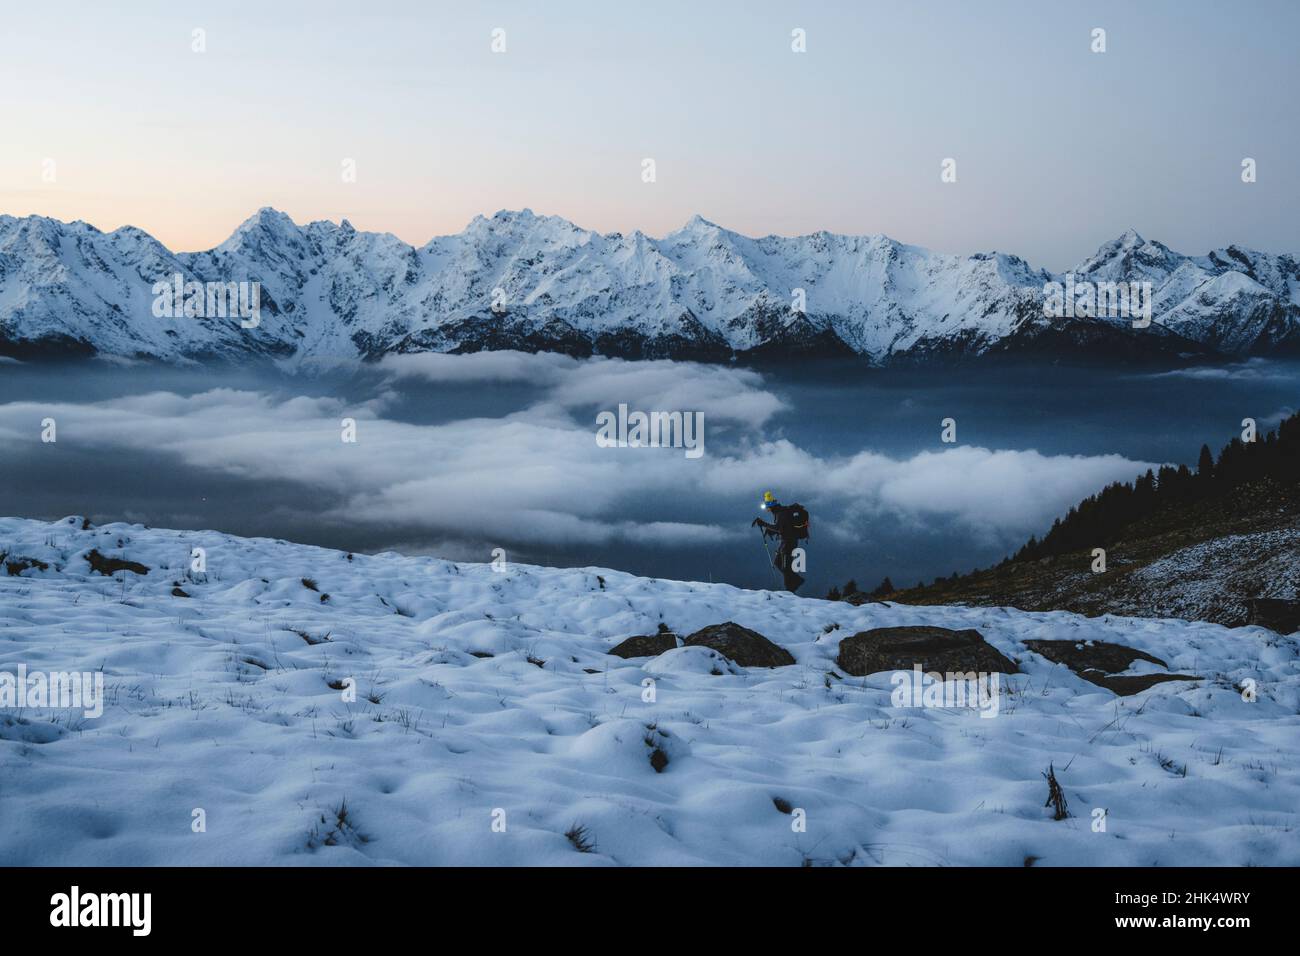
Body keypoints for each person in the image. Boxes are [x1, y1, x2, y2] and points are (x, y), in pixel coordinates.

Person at [752, 491, 807, 593]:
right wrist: (770, 530)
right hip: (785, 542)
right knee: (778, 563)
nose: (766, 509)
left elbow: (779, 528)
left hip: (789, 543)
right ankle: (796, 581)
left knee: (786, 568)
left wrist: (763, 524)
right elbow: (783, 527)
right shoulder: (779, 512)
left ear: (770, 506)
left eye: (767, 506)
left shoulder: (780, 513)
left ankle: (790, 591)